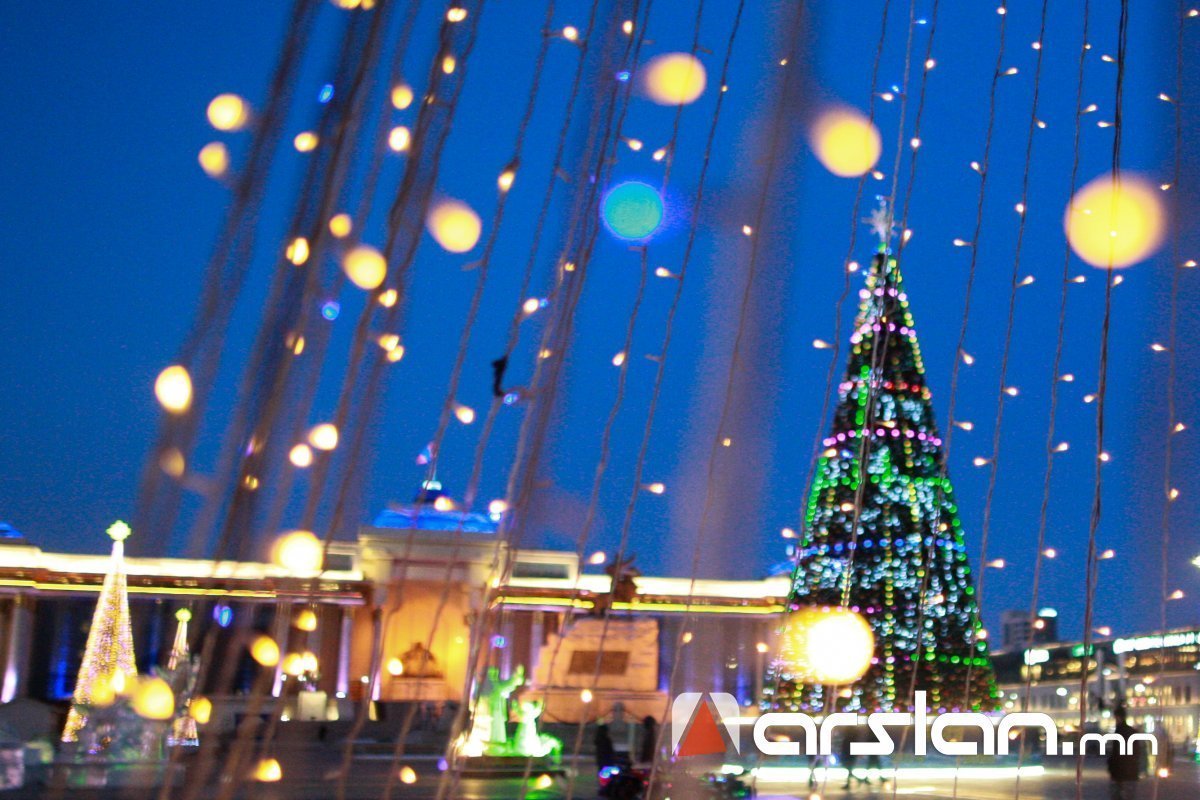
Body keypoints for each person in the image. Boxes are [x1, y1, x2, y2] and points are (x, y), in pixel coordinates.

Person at [1107, 708, 1140, 800]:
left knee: (1117, 795)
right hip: (1132, 772)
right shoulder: (1132, 731)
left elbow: (1116, 753)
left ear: (1118, 717)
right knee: (1129, 796)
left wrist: (1111, 766)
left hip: (1119, 773)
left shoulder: (1119, 731)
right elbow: (1137, 752)